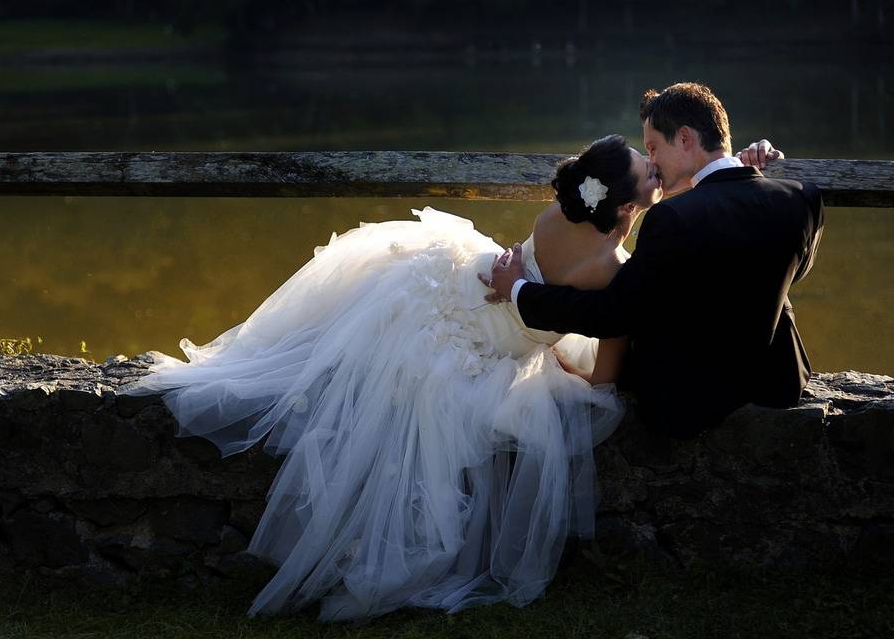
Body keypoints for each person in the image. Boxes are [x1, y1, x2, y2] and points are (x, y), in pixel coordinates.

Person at [115, 132, 667, 622]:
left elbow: (534, 290)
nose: (654, 168)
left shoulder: (557, 215)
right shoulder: (611, 273)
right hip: (490, 345)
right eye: (649, 171)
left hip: (467, 286)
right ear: (625, 203)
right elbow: (601, 382)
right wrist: (562, 360)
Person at [483, 82, 825, 438]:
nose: (653, 161)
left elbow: (613, 312)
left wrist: (520, 290)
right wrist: (740, 170)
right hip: (775, 381)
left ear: (685, 138)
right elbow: (791, 271)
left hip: (689, 396)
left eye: (653, 147)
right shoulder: (802, 199)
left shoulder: (673, 218)